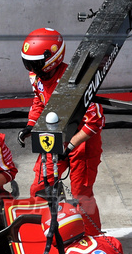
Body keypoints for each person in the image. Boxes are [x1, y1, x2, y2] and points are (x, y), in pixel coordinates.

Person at [19, 28, 104, 231]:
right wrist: (30, 125)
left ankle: (93, 238)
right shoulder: (36, 77)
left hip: (82, 143)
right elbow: (39, 102)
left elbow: (96, 120)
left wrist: (72, 144)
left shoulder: (76, 82)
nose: (32, 67)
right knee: (39, 187)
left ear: (53, 58)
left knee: (81, 194)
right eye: (28, 62)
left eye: (36, 62)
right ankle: (42, 231)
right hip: (54, 138)